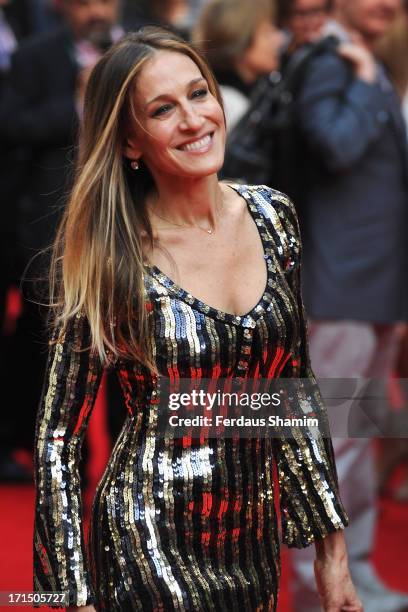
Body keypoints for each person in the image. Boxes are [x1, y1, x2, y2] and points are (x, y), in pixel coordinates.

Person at [33, 26, 362, 612]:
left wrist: (331, 555)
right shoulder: (111, 255)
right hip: (147, 538)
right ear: (131, 143)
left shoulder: (272, 216)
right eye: (163, 109)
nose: (193, 120)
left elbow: (294, 394)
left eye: (199, 94)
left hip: (253, 540)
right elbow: (59, 436)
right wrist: (70, 595)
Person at [280, 0, 408, 610]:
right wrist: (364, 83)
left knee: (355, 440)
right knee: (331, 443)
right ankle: (318, 585)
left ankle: (352, 578)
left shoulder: (358, 58)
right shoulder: (334, 61)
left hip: (373, 283)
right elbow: (333, 146)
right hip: (340, 282)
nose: (390, 4)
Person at [194, 0, 284, 132]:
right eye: (267, 34)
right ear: (240, 41)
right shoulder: (229, 104)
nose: (279, 40)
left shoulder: (261, 90)